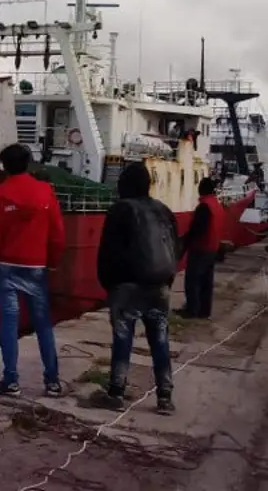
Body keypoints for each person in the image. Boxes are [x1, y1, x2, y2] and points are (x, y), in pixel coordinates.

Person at [0, 143, 65, 398]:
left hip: (6, 266)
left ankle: (11, 381)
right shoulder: (45, 192)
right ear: (28, 163)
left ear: (4, 166)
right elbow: (58, 235)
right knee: (43, 324)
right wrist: (51, 262)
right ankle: (52, 382)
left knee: (9, 322)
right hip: (36, 265)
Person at [96, 161, 179, 415]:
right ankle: (165, 397)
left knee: (123, 337)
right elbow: (174, 249)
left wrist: (109, 285)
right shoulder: (164, 211)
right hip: (159, 285)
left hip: (127, 286)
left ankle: (117, 392)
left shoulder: (120, 210)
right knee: (160, 339)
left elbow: (107, 253)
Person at [180, 177, 223, 319]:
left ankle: (192, 310)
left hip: (201, 248)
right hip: (213, 248)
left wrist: (183, 244)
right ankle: (204, 311)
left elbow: (197, 229)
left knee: (192, 280)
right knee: (206, 282)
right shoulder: (216, 204)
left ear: (202, 189)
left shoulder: (204, 206)